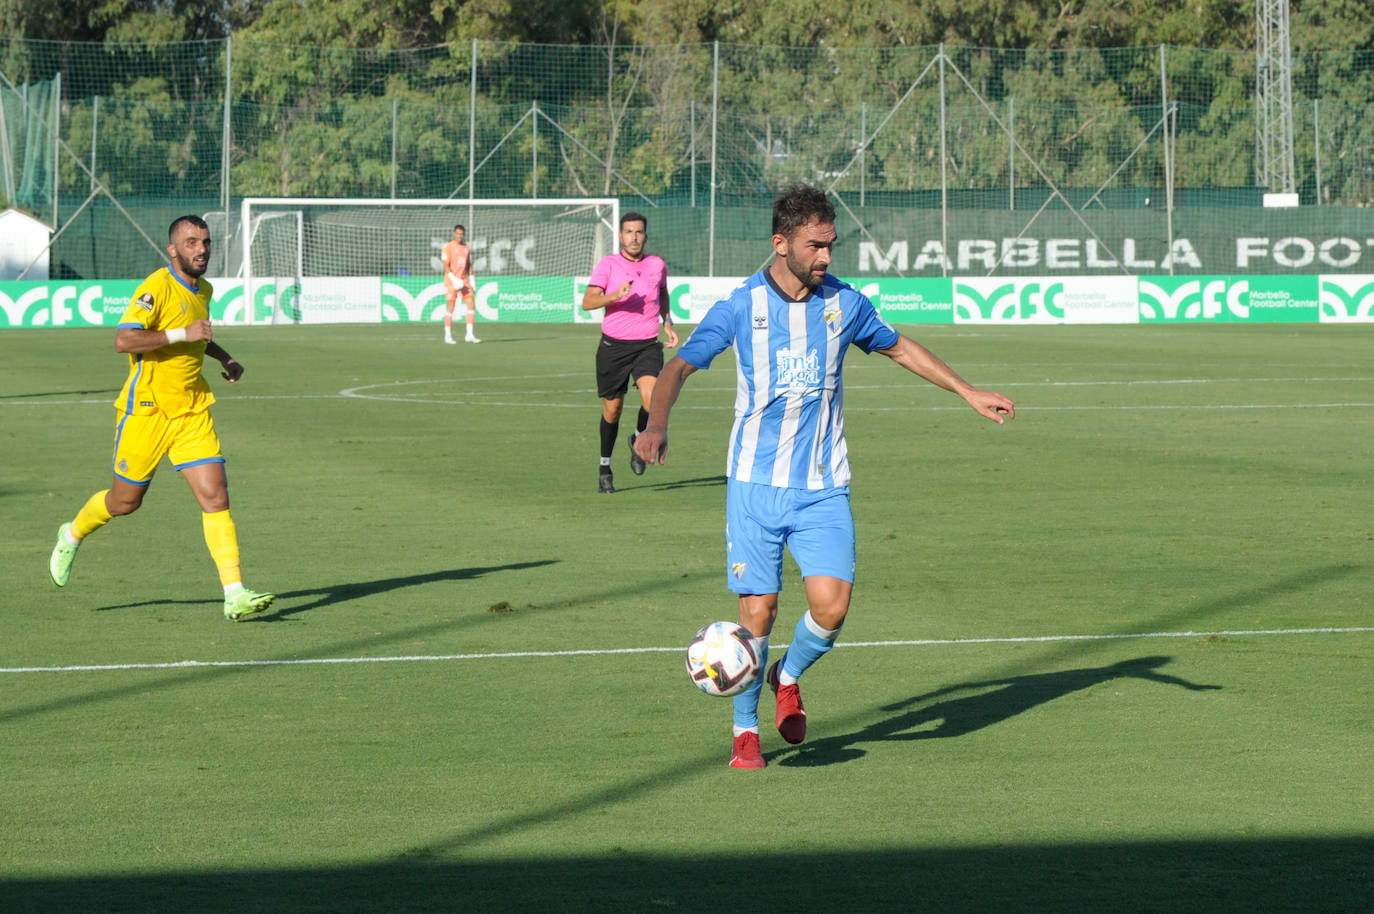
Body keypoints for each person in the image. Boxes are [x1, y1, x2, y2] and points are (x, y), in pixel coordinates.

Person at [633, 184, 1016, 769]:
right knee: (756, 614)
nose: (826, 257)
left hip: (822, 483)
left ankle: (786, 673)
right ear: (780, 243)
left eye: (831, 246)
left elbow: (898, 349)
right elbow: (680, 365)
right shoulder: (741, 306)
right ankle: (745, 732)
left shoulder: (843, 303)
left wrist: (967, 391)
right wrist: (656, 423)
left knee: (832, 608)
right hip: (754, 486)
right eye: (815, 246)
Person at [48, 215, 276, 623]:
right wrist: (180, 335)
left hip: (191, 409)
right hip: (147, 411)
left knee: (216, 496)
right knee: (124, 502)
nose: (201, 249)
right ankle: (71, 534)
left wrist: (225, 356)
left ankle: (234, 593)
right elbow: (124, 340)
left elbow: (196, 332)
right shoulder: (156, 287)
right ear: (173, 250)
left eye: (205, 242)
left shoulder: (203, 288)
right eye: (191, 242)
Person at [581, 211, 679, 493]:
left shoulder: (657, 264)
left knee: (653, 398)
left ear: (645, 236)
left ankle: (638, 439)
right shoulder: (608, 264)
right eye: (629, 232)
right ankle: (604, 467)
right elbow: (587, 302)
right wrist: (614, 296)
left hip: (647, 345)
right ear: (621, 236)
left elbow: (662, 292)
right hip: (614, 347)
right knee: (613, 410)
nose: (634, 237)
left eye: (639, 232)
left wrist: (668, 322)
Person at [441, 224, 479, 344]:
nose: (459, 236)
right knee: (451, 307)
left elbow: (469, 265)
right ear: (454, 233)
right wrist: (453, 278)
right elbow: (446, 265)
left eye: (461, 234)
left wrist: (472, 279)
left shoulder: (467, 248)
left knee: (471, 304)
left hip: (464, 280)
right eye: (457, 233)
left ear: (464, 235)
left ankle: (469, 334)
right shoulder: (447, 247)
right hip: (452, 280)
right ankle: (447, 336)